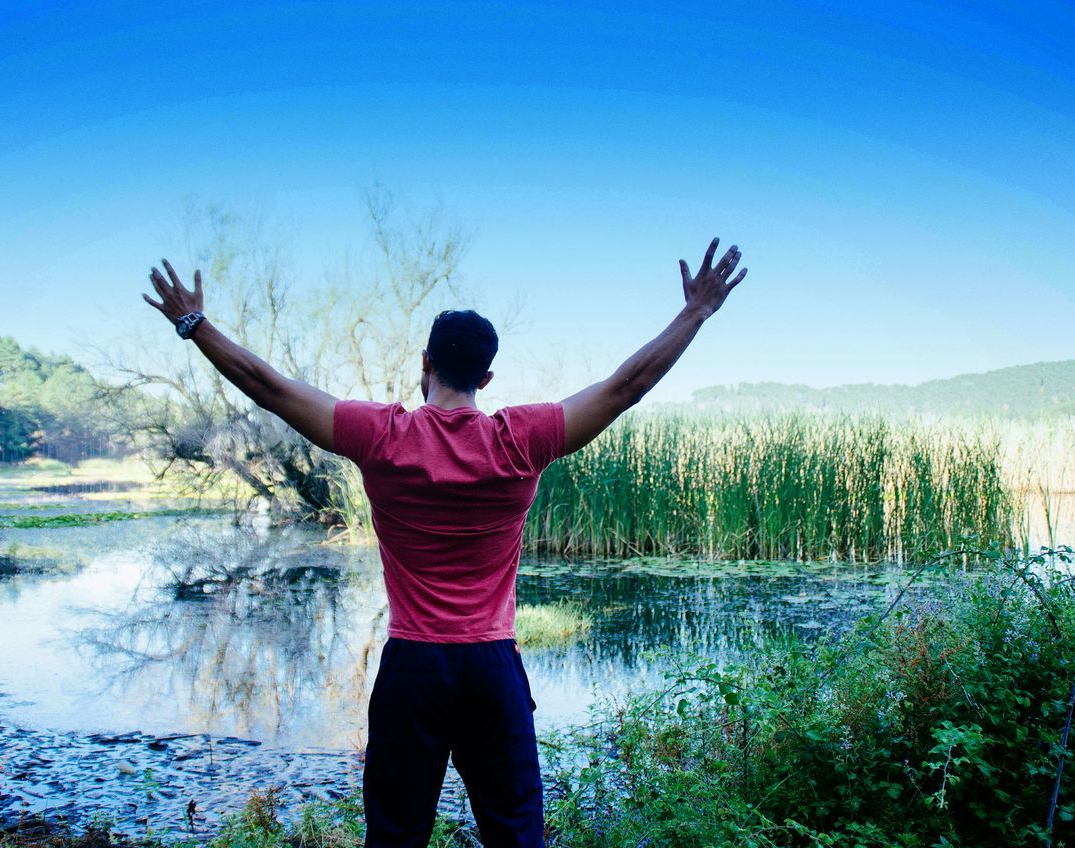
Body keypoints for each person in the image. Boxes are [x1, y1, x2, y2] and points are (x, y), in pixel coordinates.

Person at [142, 237, 747, 848]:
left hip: (414, 667)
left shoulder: (380, 436)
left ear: (424, 364)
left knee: (397, 836)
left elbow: (268, 387)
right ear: (486, 376)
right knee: (515, 836)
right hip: (492, 668)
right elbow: (624, 387)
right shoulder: (522, 439)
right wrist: (695, 312)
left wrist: (195, 324)